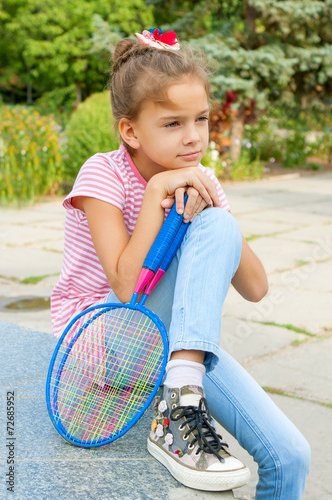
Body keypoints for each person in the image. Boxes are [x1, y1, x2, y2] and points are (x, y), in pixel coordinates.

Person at [51, 29, 310, 497]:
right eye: (172, 124)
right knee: (207, 228)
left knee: (291, 456)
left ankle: (180, 395)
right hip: (105, 341)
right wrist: (157, 193)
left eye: (202, 119)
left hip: (174, 348)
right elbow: (127, 288)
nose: (194, 138)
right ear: (130, 130)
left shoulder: (201, 178)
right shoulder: (103, 174)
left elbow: (255, 288)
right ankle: (179, 406)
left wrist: (214, 211)